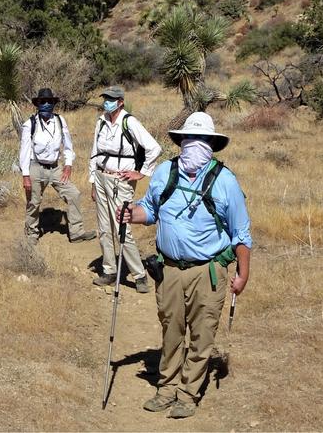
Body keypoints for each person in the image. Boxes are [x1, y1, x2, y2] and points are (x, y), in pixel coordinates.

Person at [117, 111, 252, 418]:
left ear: (211, 145)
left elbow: (242, 234)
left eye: (202, 140)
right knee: (171, 330)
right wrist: (130, 214)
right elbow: (150, 210)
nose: (195, 144)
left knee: (203, 333)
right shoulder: (165, 172)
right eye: (190, 138)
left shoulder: (225, 181)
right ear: (181, 141)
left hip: (209, 272)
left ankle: (189, 393)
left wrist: (243, 275)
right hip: (169, 270)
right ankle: (166, 387)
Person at [89, 86, 162, 293]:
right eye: (105, 98)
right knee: (104, 227)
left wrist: (141, 172)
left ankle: (139, 275)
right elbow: (94, 152)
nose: (107, 102)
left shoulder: (129, 121)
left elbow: (154, 148)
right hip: (102, 177)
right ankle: (109, 271)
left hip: (121, 182)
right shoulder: (101, 121)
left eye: (112, 99)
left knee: (122, 227)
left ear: (120, 101)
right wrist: (93, 181)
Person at [19, 88, 96, 245]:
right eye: (43, 101)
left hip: (55, 168)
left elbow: (68, 145)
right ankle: (32, 233)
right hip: (36, 167)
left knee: (73, 194)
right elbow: (25, 151)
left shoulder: (60, 121)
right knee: (34, 202)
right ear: (38, 104)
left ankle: (76, 232)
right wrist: (25, 175)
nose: (46, 104)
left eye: (49, 101)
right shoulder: (30, 124)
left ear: (54, 103)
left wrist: (68, 165)